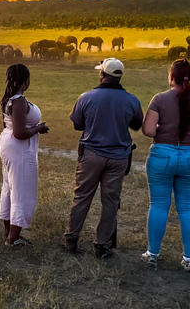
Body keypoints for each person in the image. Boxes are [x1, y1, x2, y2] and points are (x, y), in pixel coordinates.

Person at [141, 59, 190, 273]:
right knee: (189, 208)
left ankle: (153, 254)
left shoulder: (159, 99)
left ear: (171, 76)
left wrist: (162, 126)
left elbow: (148, 130)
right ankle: (189, 258)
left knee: (159, 205)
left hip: (162, 155)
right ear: (189, 77)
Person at [64, 58, 143, 257]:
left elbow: (77, 125)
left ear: (102, 74)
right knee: (110, 202)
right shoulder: (132, 100)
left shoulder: (86, 97)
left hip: (91, 154)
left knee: (82, 196)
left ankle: (71, 238)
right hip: (118, 157)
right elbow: (136, 124)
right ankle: (102, 245)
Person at [0, 64, 50, 247]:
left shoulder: (7, 99)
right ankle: (13, 239)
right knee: (21, 191)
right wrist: (39, 128)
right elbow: (19, 133)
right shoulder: (18, 101)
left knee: (9, 188)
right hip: (18, 147)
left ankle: (8, 232)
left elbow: (8, 126)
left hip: (8, 145)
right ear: (25, 80)